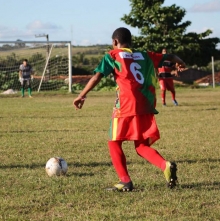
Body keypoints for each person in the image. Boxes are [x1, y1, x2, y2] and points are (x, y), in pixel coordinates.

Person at [73, 27, 186, 191]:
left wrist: (81, 95)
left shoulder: (113, 55)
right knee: (140, 146)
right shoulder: (145, 54)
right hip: (146, 104)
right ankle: (165, 165)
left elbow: (97, 76)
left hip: (126, 105)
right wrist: (180, 62)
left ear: (115, 42)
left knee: (113, 142)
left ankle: (125, 181)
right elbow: (170, 57)